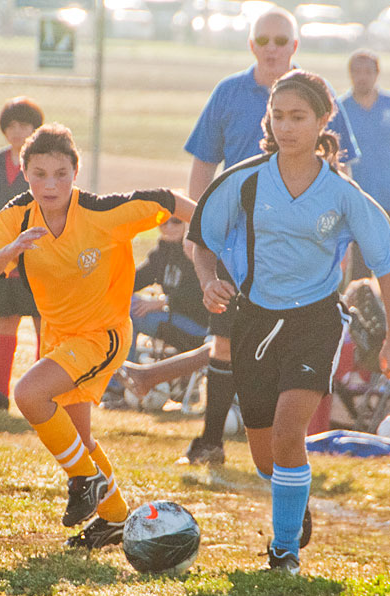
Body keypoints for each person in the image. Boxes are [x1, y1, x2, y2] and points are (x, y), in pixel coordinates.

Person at [121, 5, 362, 467]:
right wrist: (198, 231)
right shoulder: (229, 92)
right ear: (251, 45)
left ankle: (281, 443)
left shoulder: (316, 91)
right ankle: (212, 441)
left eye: (281, 40)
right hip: (236, 241)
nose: (272, 48)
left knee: (286, 338)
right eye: (263, 40)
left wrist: (340, 235)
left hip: (300, 245)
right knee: (227, 339)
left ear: (295, 46)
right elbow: (203, 162)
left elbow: (340, 168)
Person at [188, 69, 390, 574]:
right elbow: (202, 241)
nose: (286, 127)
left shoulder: (343, 194)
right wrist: (208, 281)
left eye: (298, 117)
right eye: (278, 116)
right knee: (266, 456)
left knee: (290, 434)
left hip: (314, 321)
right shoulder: (244, 180)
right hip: (253, 321)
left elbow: (386, 267)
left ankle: (284, 550)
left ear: (323, 120)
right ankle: (294, 495)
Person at [0, 123, 196, 549]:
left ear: (75, 173)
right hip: (59, 338)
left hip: (102, 335)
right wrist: (11, 250)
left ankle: (84, 480)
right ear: (25, 173)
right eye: (39, 174)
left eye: (61, 174)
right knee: (79, 438)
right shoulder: (16, 215)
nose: (50, 184)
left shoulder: (100, 211)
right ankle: (115, 518)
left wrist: (209, 232)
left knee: (29, 395)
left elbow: (167, 199)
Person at [0, 97, 44, 411]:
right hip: (1, 257)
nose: (17, 131)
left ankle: (43, 391)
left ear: (35, 128)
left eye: (24, 125)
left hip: (36, 260)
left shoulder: (43, 164)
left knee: (43, 325)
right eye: (11, 126)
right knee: (6, 322)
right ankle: (0, 392)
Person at [101, 217, 208, 408]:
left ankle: (119, 388)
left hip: (199, 327)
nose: (169, 227)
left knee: (130, 315)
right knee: (124, 303)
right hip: (173, 318)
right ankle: (118, 381)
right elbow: (133, 280)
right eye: (163, 222)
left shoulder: (195, 249)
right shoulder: (163, 252)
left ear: (187, 222)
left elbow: (198, 296)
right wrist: (105, 289)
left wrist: (161, 302)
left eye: (176, 221)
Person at [339, 49, 390, 280]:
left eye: (368, 71)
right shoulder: (341, 108)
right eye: (357, 71)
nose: (362, 77)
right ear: (350, 74)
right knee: (360, 271)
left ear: (377, 74)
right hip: (360, 202)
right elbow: (337, 157)